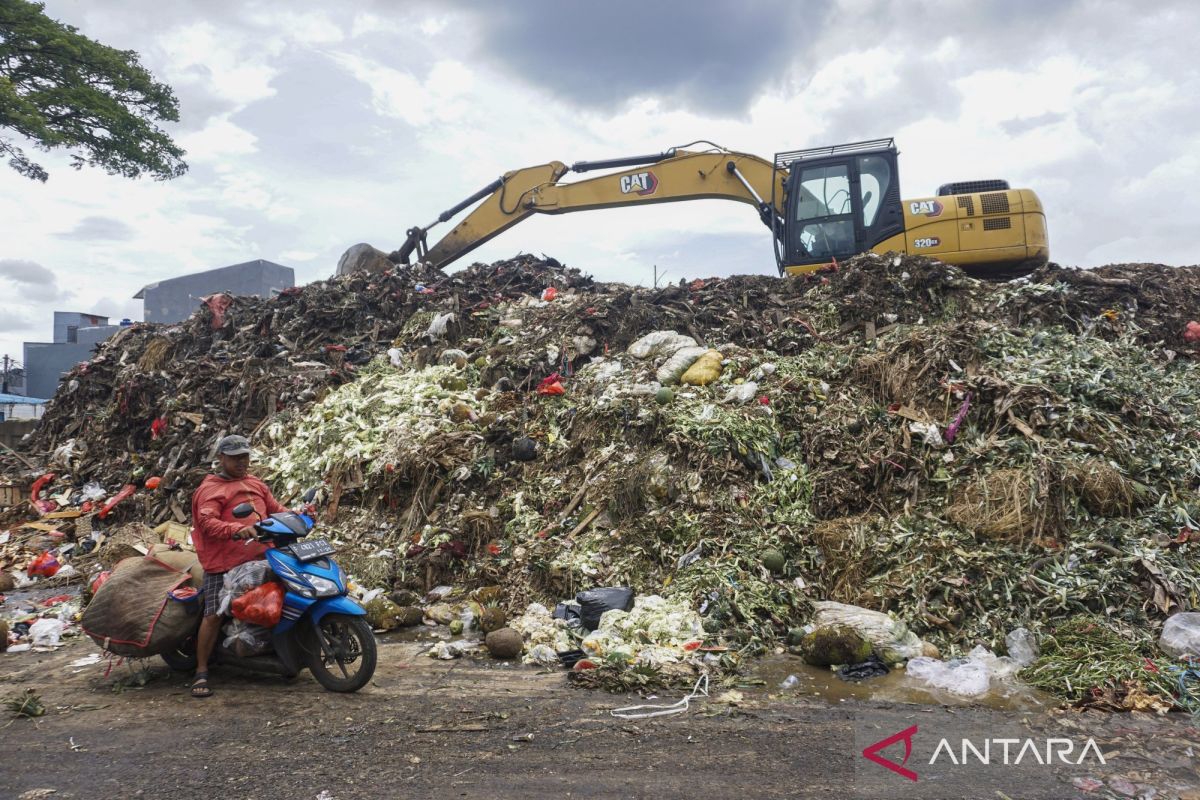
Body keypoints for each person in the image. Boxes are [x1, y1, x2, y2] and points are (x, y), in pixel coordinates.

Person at [189, 434, 286, 698]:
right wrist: (236, 529)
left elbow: (274, 509)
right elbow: (207, 522)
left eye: (245, 456)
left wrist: (297, 516)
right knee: (213, 614)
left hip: (263, 557)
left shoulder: (255, 483)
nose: (242, 462)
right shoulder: (210, 490)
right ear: (221, 458)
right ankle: (201, 670)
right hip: (224, 563)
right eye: (235, 457)